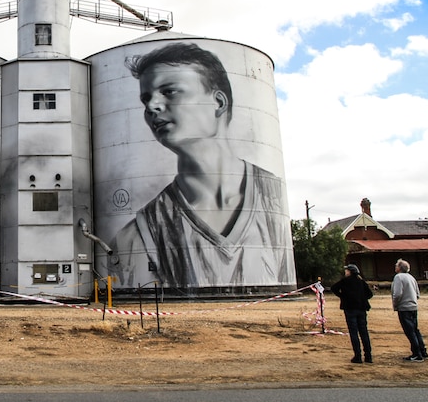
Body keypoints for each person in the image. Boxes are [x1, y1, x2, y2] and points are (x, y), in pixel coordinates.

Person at [108, 42, 293, 289]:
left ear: (218, 102)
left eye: (169, 92)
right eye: (146, 99)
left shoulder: (273, 200)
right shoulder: (136, 236)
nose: (152, 106)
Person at [331, 264, 373, 363]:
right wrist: (361, 298)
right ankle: (368, 356)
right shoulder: (361, 281)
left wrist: (342, 296)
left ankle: (357, 356)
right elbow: (370, 294)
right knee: (364, 332)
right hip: (361, 309)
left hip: (350, 309)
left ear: (350, 272)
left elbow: (334, 288)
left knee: (354, 332)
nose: (345, 272)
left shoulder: (345, 281)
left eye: (346, 270)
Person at [393, 258, 428, 362]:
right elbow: (417, 294)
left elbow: (397, 294)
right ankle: (423, 351)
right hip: (413, 306)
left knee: (409, 331)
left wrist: (396, 305)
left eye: (396, 266)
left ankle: (416, 354)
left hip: (404, 307)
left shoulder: (398, 277)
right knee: (415, 330)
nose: (395, 267)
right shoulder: (411, 277)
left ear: (399, 268)